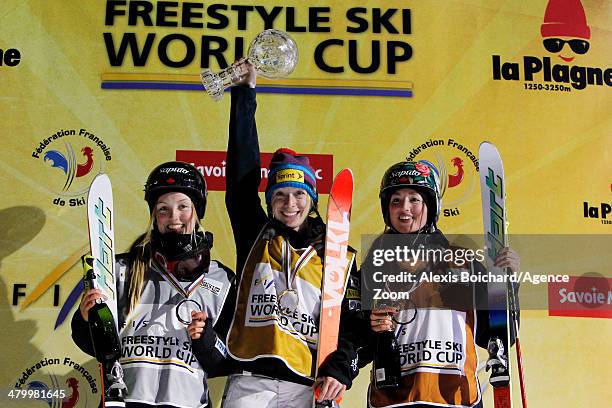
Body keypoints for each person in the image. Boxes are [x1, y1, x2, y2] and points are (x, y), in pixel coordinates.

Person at [222, 62, 361, 408]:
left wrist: (341, 370)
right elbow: (240, 183)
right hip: (250, 383)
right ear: (269, 201)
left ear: (312, 200)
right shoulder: (256, 235)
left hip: (306, 386)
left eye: (300, 195)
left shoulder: (338, 254)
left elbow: (352, 326)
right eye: (280, 195)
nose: (289, 204)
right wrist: (244, 95)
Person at [71, 161, 235, 408]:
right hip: (128, 400)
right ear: (153, 215)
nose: (174, 218)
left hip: (187, 403)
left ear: (197, 211)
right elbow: (94, 345)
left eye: (183, 207)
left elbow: (224, 362)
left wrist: (207, 340)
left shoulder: (221, 279)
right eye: (163, 209)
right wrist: (86, 320)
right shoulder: (121, 269)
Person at [359, 160, 520, 408]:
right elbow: (358, 341)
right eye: (396, 201)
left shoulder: (462, 262)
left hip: (453, 398)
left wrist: (507, 285)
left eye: (414, 199)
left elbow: (497, 333)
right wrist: (370, 326)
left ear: (431, 205)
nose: (405, 208)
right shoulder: (374, 264)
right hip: (393, 400)